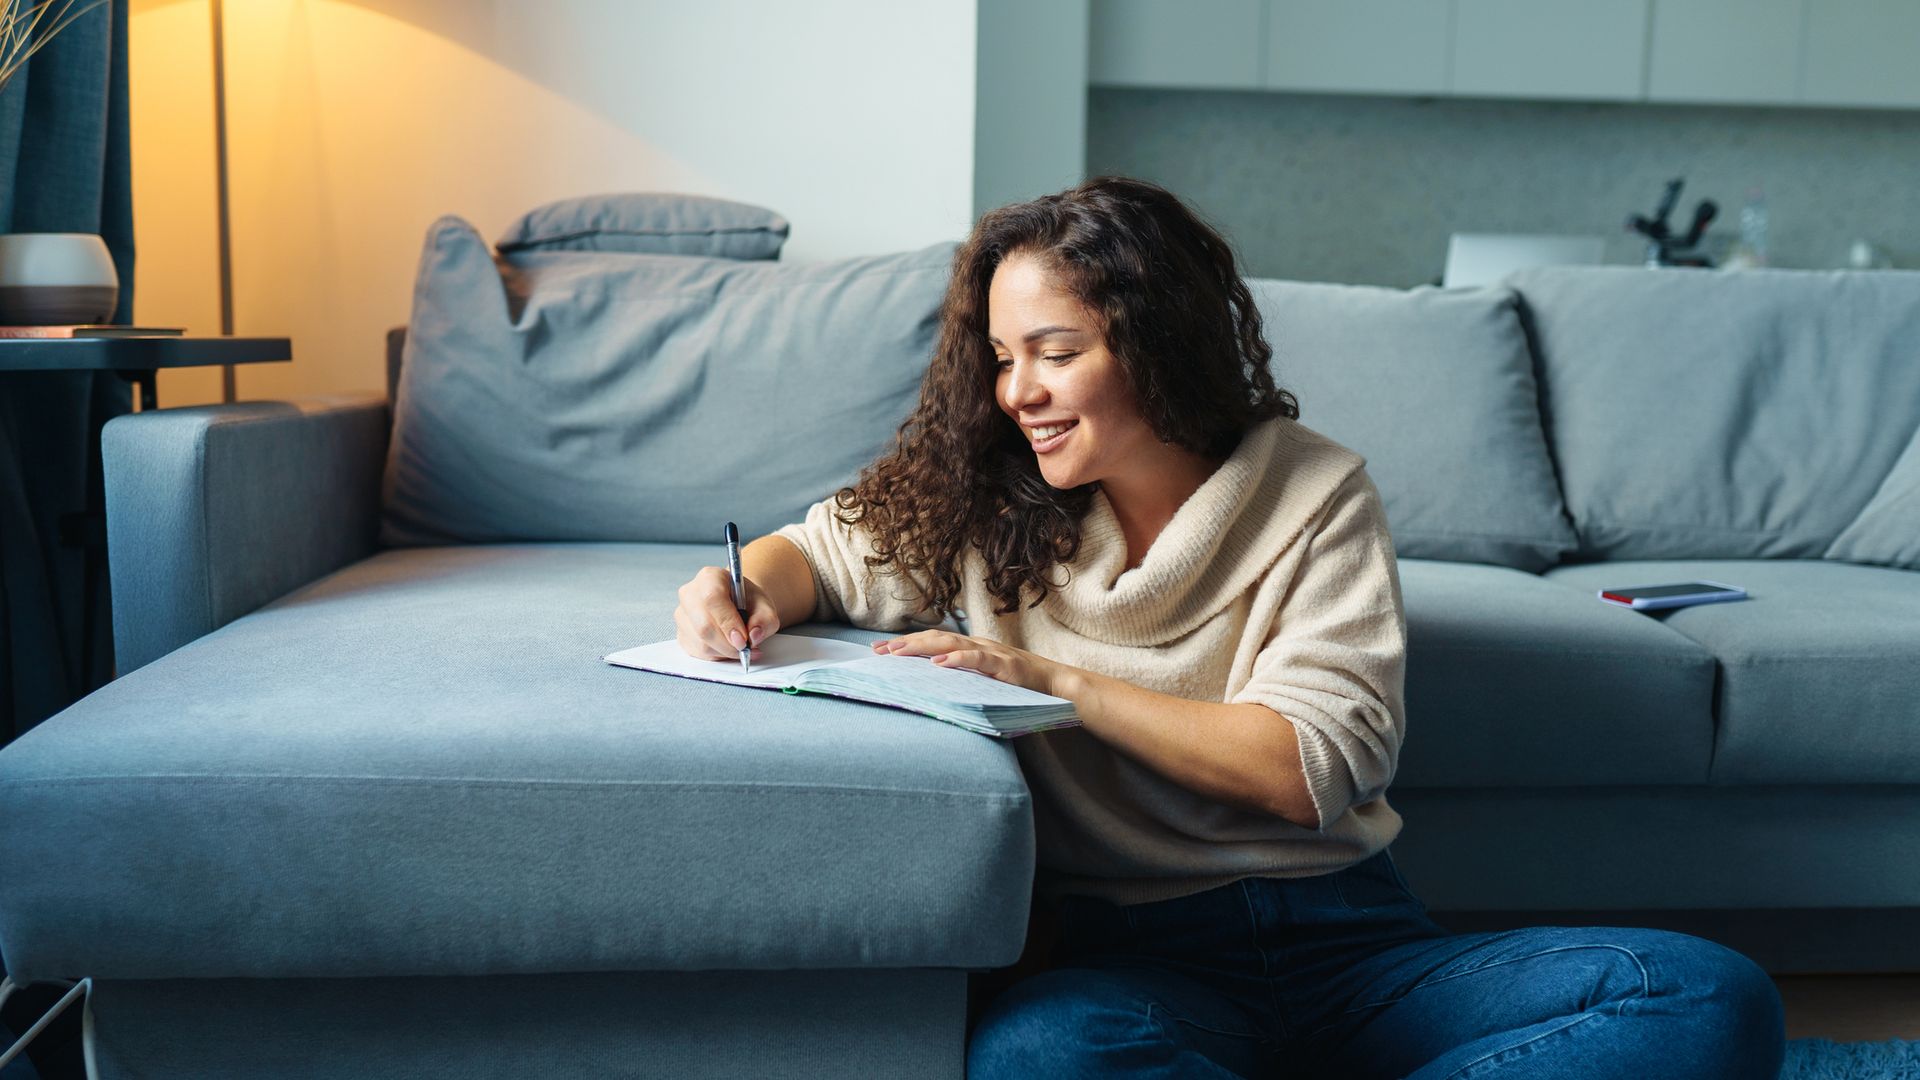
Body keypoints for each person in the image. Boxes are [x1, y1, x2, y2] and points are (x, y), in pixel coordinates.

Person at [671, 176, 1786, 1078]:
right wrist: (742, 590)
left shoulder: (1313, 494)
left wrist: (1047, 684)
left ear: (1154, 341)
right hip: (1131, 963)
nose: (1017, 392)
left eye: (1055, 353)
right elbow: (815, 554)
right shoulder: (982, 492)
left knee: (1707, 999)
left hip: (1356, 944)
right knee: (1038, 1058)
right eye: (1004, 359)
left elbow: (1311, 767)